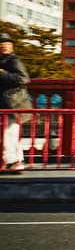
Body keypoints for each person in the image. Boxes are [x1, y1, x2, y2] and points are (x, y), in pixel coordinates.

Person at [0, 32, 31, 175]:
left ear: (11, 46)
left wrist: (3, 74)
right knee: (10, 133)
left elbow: (23, 79)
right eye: (1, 45)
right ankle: (16, 161)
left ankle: (13, 162)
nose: (4, 47)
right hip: (9, 103)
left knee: (9, 133)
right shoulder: (5, 60)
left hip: (14, 103)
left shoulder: (13, 60)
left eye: (6, 44)